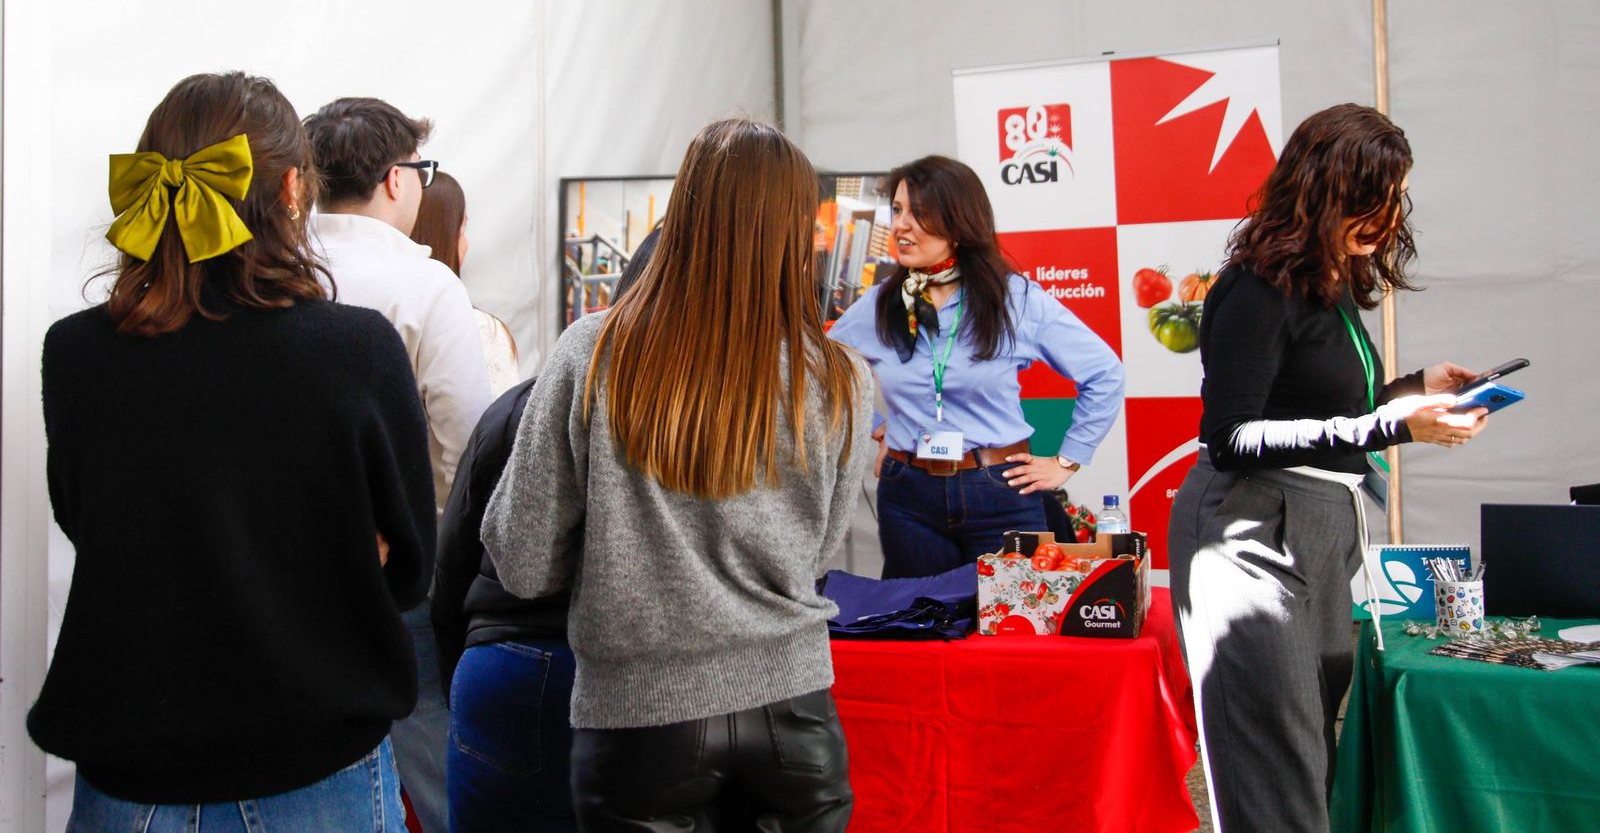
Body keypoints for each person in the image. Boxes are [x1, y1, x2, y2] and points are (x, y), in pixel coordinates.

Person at [29, 72, 434, 829]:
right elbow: (409, 564)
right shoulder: (356, 350)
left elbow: (89, 520)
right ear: (291, 189)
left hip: (129, 771)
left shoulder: (77, 355)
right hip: (318, 764)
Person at [482, 120, 872, 832]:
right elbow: (812, 555)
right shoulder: (839, 376)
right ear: (793, 230)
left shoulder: (592, 353)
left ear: (683, 210)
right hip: (796, 714)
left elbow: (523, 561)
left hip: (639, 719)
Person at [1166, 103, 1489, 833]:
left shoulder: (1330, 281)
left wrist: (1414, 390)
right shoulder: (1256, 287)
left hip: (1317, 525)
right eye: (1377, 193)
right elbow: (1231, 436)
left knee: (1311, 758)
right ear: (1326, 191)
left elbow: (1331, 411)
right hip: (1247, 529)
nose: (1390, 212)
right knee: (1273, 765)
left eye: (1396, 193)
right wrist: (1388, 421)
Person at [432, 226, 660, 833]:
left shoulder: (521, 407)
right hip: (646, 681)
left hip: (518, 663)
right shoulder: (721, 431)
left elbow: (456, 566)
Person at [306, 97, 493, 833]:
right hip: (404, 574)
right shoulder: (423, 286)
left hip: (290, 576)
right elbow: (466, 453)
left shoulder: (276, 270)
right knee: (442, 774)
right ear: (395, 178)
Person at [826, 155, 1125, 578]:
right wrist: (875, 426)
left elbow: (1104, 373)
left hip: (999, 489)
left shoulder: (1014, 299)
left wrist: (1066, 461)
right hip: (908, 494)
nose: (900, 225)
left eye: (919, 213)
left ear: (959, 222)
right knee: (920, 632)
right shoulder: (879, 306)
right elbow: (815, 371)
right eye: (897, 211)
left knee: (1013, 626)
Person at [409, 170, 521, 397]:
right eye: (462, 230)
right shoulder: (481, 331)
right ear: (443, 235)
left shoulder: (377, 313)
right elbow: (498, 426)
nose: (466, 243)